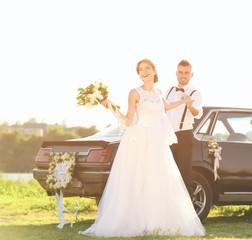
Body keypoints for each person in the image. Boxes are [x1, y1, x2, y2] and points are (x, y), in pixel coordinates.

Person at [78, 59, 205, 238]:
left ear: (154, 71)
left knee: (157, 181)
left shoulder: (160, 91)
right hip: (140, 140)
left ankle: (155, 221)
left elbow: (167, 107)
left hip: (157, 142)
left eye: (147, 68)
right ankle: (135, 220)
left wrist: (185, 102)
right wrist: (111, 107)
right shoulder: (134, 93)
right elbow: (128, 121)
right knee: (139, 180)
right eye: (140, 70)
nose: (143, 72)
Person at [165, 59, 203, 199]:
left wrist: (190, 105)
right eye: (181, 72)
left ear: (191, 75)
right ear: (176, 73)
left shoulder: (195, 93)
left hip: (184, 137)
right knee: (167, 175)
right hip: (167, 137)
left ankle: (189, 217)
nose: (183, 75)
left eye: (186, 73)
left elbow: (197, 113)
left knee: (184, 176)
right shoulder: (169, 91)